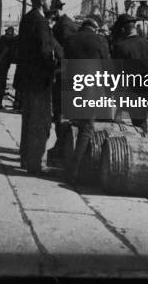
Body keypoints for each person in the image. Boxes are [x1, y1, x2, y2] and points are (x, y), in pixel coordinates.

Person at [16, 0, 59, 175]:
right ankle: (35, 163)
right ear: (42, 1)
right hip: (40, 80)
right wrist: (54, 68)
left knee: (29, 120)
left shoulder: (27, 18)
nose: (51, 2)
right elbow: (45, 51)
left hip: (27, 78)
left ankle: (26, 159)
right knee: (41, 122)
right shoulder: (40, 22)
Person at [62, 17, 112, 181]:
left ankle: (65, 160)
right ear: (95, 27)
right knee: (87, 128)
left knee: (72, 124)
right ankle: (74, 170)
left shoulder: (70, 40)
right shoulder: (100, 40)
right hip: (90, 90)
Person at [111, 13, 148, 133]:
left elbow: (117, 75)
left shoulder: (121, 47)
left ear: (122, 29)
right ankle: (145, 142)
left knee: (133, 125)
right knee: (141, 122)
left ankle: (144, 147)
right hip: (146, 91)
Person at [46, 0, 78, 164]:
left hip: (63, 74)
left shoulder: (63, 26)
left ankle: (61, 147)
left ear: (56, 11)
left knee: (59, 111)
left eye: (52, 13)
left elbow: (64, 52)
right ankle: (64, 145)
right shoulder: (70, 24)